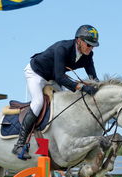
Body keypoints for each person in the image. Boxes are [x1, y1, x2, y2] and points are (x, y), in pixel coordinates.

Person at [12, 24, 100, 160]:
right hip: (36, 73)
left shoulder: (88, 55)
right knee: (38, 103)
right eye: (88, 45)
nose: (91, 48)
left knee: (64, 105)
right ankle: (20, 144)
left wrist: (98, 89)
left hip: (52, 78)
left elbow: (93, 78)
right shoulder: (62, 48)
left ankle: (54, 142)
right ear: (79, 40)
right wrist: (82, 87)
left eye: (93, 45)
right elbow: (60, 77)